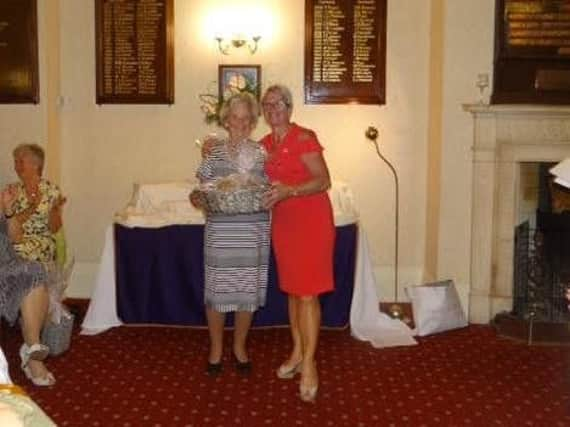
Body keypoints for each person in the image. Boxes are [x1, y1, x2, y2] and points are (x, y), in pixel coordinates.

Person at [261, 84, 335, 403]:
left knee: (307, 295)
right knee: (292, 291)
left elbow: (323, 179)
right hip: (284, 224)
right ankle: (296, 351)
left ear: (290, 108)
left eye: (279, 103)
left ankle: (310, 364)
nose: (272, 108)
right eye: (267, 104)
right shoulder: (264, 144)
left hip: (311, 221)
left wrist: (289, 191)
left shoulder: (304, 137)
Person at [191, 93, 270, 376]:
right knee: (218, 292)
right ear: (226, 120)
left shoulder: (262, 153)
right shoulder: (213, 151)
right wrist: (200, 197)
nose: (241, 123)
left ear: (252, 123)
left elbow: (270, 188)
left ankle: (239, 347)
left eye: (246, 118)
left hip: (252, 230)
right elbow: (203, 186)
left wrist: (256, 187)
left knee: (246, 292)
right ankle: (215, 348)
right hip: (221, 231)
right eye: (235, 117)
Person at [0, 186, 55, 386]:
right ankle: (33, 356)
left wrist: (8, 210)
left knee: (33, 270)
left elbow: (16, 237)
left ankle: (32, 350)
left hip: (7, 264)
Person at [5, 144, 65, 264]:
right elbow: (7, 224)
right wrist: (32, 208)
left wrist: (55, 212)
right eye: (15, 162)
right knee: (10, 249)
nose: (16, 167)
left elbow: (54, 229)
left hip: (42, 243)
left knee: (15, 253)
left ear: (36, 165)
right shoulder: (11, 191)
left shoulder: (51, 191)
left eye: (21, 162)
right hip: (15, 239)